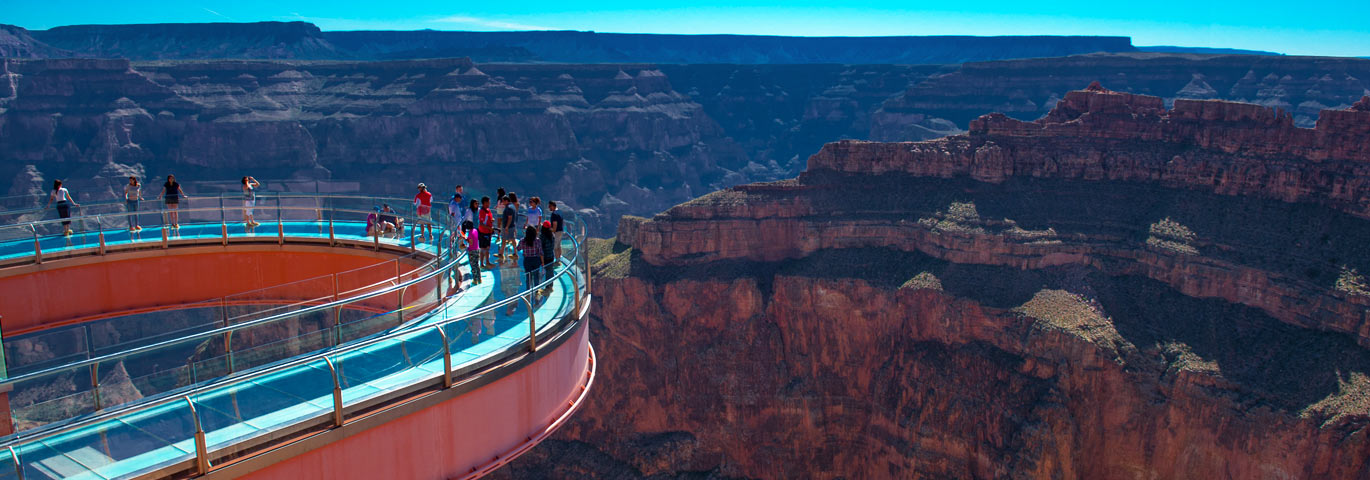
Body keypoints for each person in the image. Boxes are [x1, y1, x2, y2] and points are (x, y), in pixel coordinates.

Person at [518, 225, 544, 302]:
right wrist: (542, 262)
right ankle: (536, 291)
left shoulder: (523, 241)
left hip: (527, 260)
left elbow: (518, 248)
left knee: (528, 276)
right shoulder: (538, 240)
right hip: (536, 260)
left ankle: (528, 291)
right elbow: (540, 252)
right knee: (536, 276)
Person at [498, 193, 519, 264]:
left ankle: (504, 254)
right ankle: (502, 253)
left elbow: (510, 218)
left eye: (503, 201)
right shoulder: (512, 206)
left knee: (506, 239)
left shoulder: (509, 208)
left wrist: (506, 226)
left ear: (506, 200)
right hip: (511, 226)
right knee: (510, 239)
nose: (502, 203)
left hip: (508, 227)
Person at [539, 220, 557, 294]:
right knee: (550, 271)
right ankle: (550, 286)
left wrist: (542, 261)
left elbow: (541, 249)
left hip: (545, 257)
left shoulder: (542, 236)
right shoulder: (552, 235)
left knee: (545, 272)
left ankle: (546, 287)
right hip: (551, 256)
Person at [477, 196, 495, 268]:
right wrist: (489, 228)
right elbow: (481, 223)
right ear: (484, 203)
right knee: (483, 248)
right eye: (488, 202)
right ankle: (482, 263)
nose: (489, 204)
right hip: (483, 232)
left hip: (488, 232)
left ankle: (487, 262)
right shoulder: (481, 211)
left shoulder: (488, 210)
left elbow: (489, 218)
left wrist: (491, 221)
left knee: (487, 247)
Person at [465, 219, 482, 286]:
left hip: (472, 251)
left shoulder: (470, 233)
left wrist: (466, 239)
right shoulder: (475, 230)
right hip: (477, 249)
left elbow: (471, 242)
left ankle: (475, 280)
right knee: (477, 265)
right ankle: (479, 278)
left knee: (473, 265)